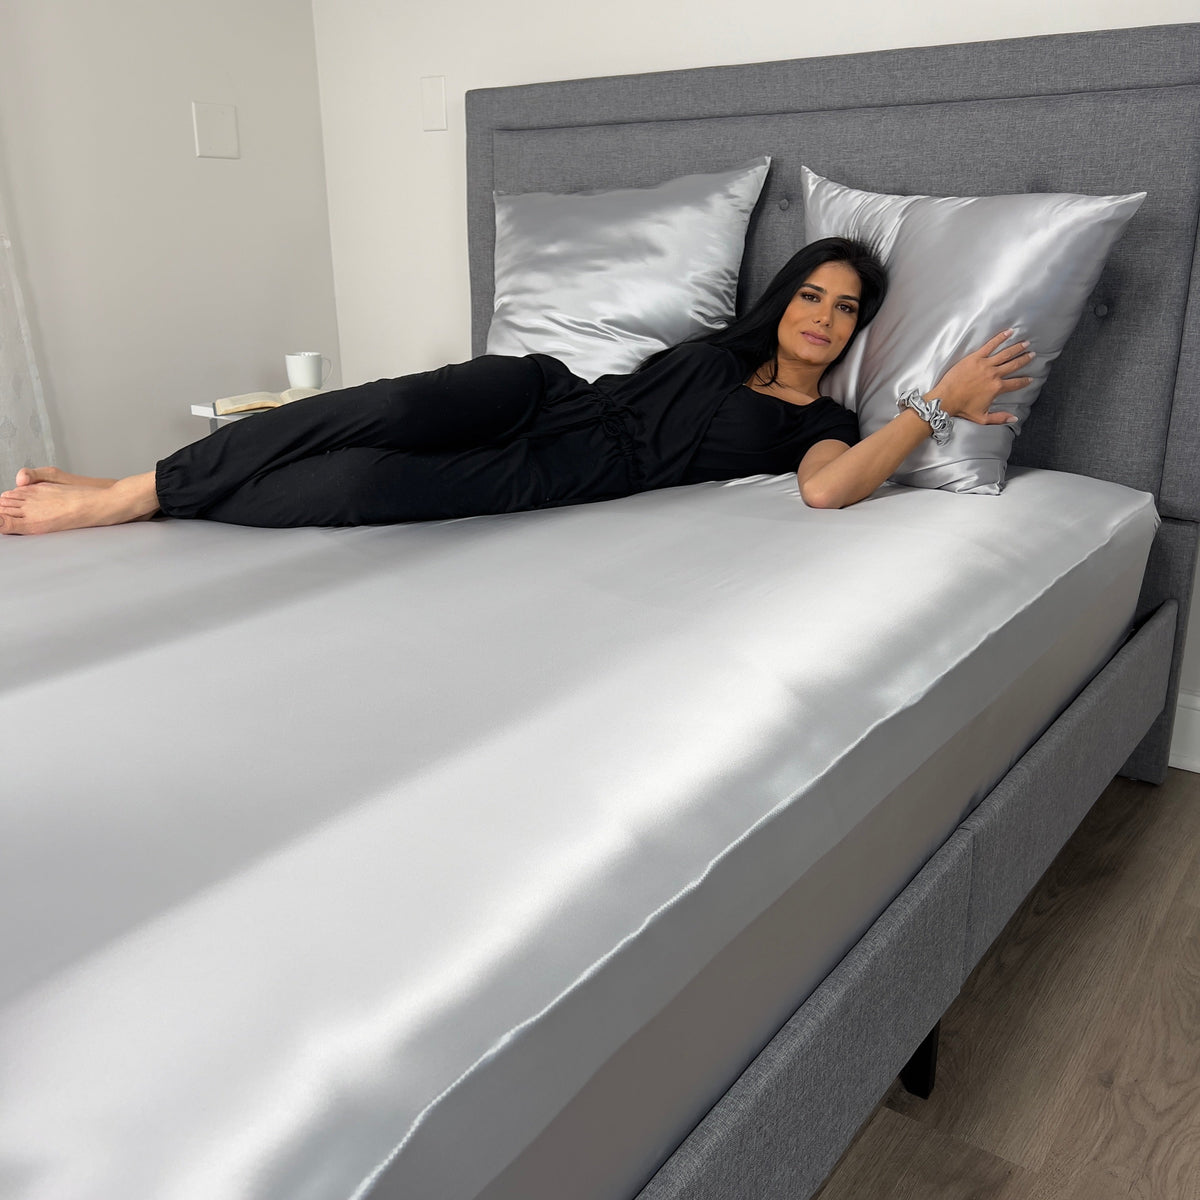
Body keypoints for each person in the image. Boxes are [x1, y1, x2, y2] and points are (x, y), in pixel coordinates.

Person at [0, 237, 1032, 536]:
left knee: (360, 485)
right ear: (782, 297)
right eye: (810, 292)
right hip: (542, 393)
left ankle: (151, 496)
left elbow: (830, 492)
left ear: (860, 329)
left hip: (567, 474)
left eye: (846, 308)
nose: (821, 316)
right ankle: (126, 494)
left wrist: (934, 399)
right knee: (392, 408)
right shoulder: (718, 348)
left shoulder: (824, 424)